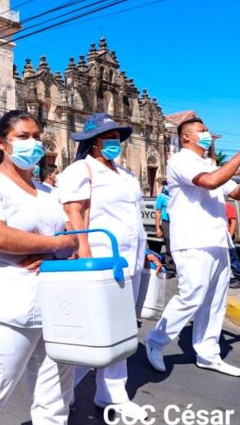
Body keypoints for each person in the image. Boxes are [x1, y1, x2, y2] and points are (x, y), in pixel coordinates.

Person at [0, 110, 78, 424]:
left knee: (56, 398)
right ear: (2, 142)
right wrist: (55, 245)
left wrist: (55, 249)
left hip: (56, 305)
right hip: (6, 306)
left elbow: (71, 240)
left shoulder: (50, 192)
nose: (33, 143)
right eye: (23, 137)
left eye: (36, 136)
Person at [57, 112, 161, 421]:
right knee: (91, 330)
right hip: (100, 261)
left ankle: (110, 393)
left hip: (130, 260)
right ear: (94, 141)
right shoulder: (81, 170)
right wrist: (85, 255)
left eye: (117, 137)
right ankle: (66, 389)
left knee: (122, 329)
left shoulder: (126, 176)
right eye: (109, 137)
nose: (115, 142)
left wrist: (145, 252)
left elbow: (131, 220)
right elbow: (75, 214)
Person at [146, 117, 240, 378]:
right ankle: (157, 339)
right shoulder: (180, 160)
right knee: (192, 296)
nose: (207, 133)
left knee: (215, 302)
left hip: (218, 241)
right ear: (187, 137)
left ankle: (208, 353)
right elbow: (209, 182)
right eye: (202, 130)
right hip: (192, 240)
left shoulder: (211, 164)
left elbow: (238, 194)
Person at [154, 181, 176, 278]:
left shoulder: (176, 195)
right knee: (169, 245)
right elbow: (158, 212)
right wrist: (158, 228)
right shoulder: (161, 197)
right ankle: (171, 269)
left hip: (177, 222)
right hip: (167, 222)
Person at [225, 203, 240, 289]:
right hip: (218, 238)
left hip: (226, 237)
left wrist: (229, 236)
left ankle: (238, 279)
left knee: (232, 258)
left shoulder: (226, 206)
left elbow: (233, 221)